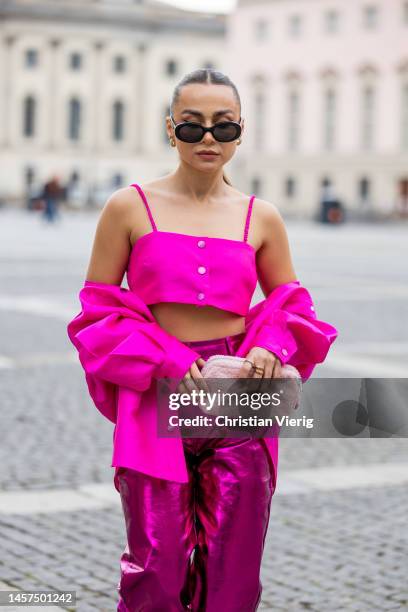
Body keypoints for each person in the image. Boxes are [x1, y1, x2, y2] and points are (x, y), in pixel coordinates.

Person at [67, 69, 338, 611]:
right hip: (155, 390)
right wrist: (163, 355)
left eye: (223, 126)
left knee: (234, 567)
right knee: (157, 563)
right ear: (171, 130)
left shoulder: (261, 216)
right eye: (191, 127)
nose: (208, 138)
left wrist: (271, 347)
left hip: (238, 394)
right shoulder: (129, 206)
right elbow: (96, 311)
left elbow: (292, 303)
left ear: (241, 132)